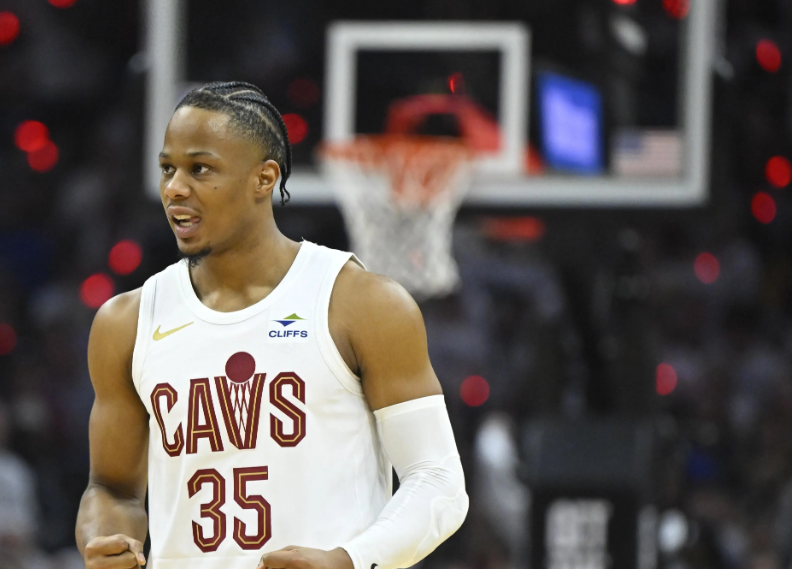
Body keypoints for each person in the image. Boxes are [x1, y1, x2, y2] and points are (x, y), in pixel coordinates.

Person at [75, 82, 468, 569]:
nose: (174, 187)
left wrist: (347, 560)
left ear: (264, 178)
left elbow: (437, 481)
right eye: (167, 168)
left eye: (200, 169)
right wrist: (105, 539)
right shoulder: (127, 322)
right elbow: (111, 488)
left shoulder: (359, 303)